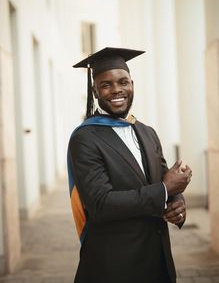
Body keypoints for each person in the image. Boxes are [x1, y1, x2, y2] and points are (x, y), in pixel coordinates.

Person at [67, 47, 192, 283]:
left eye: (123, 82)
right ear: (94, 91)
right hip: (114, 265)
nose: (117, 90)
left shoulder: (146, 132)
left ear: (132, 84)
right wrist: (166, 189)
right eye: (106, 85)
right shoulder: (85, 138)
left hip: (158, 262)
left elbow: (161, 180)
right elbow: (101, 204)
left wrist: (177, 202)